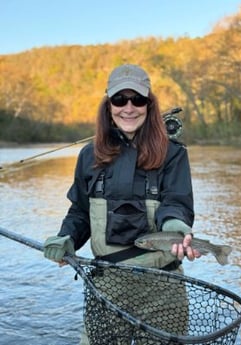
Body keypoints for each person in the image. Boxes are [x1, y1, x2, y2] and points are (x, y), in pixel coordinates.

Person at [43, 64, 201, 344]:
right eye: (119, 100)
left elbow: (176, 203)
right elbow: (80, 211)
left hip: (163, 291)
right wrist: (67, 237)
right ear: (108, 105)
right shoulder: (88, 156)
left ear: (149, 105)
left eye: (137, 99)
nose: (129, 108)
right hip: (106, 287)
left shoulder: (174, 154)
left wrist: (176, 227)